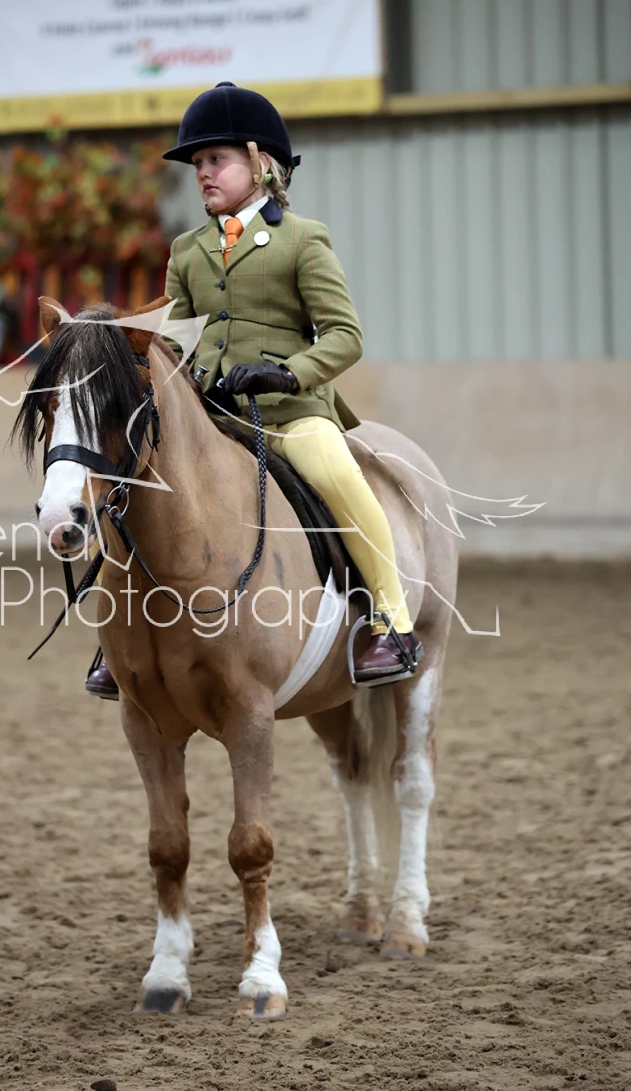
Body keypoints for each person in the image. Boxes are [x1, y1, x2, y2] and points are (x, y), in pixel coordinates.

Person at [86, 81, 422, 699]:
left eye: (215, 159)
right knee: (132, 480)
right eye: (196, 163)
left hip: (289, 412)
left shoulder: (302, 239)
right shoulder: (188, 251)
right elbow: (175, 338)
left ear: (260, 161)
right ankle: (118, 640)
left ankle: (389, 621)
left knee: (337, 473)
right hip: (214, 415)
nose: (202, 173)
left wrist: (288, 373)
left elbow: (345, 335)